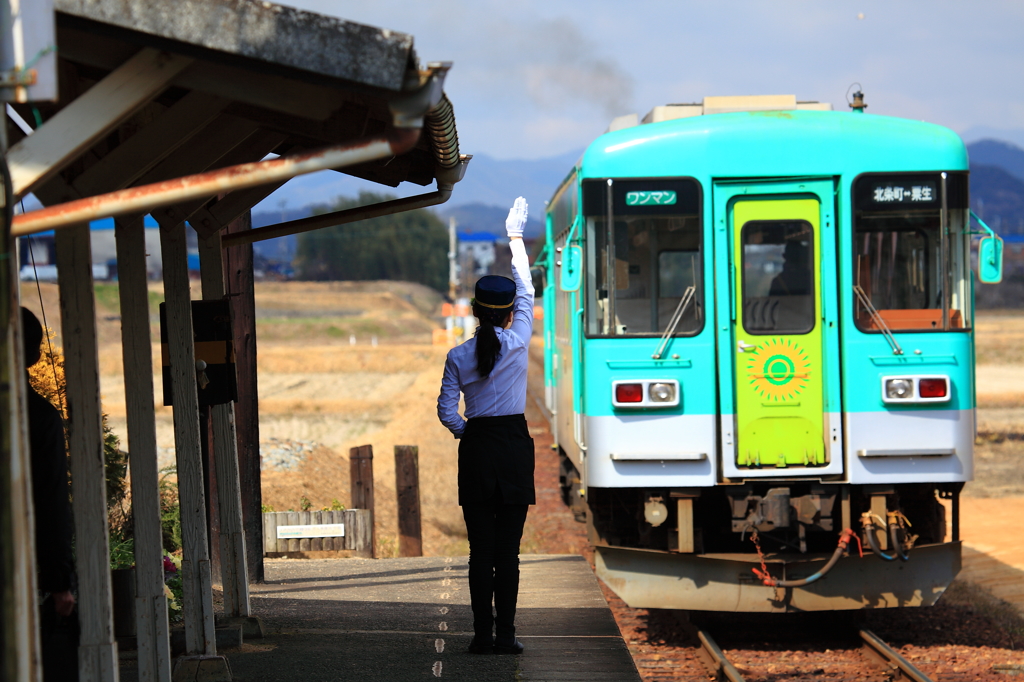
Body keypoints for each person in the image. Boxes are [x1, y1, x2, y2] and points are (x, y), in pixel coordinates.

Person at [437, 197, 535, 655]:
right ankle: (508, 636)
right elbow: (528, 288)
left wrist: (467, 432)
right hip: (514, 447)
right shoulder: (518, 341)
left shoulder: (457, 356)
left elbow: (446, 411)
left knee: (481, 553)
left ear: (475, 310)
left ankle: (481, 636)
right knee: (507, 555)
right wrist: (515, 237)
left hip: (477, 449)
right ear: (510, 310)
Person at [22, 307, 79, 682]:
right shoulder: (38, 417)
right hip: (24, 568)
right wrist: (60, 581)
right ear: (33, 354)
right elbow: (52, 499)